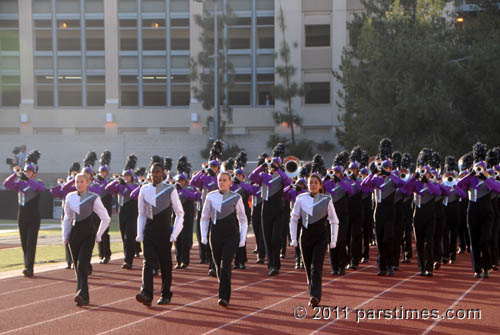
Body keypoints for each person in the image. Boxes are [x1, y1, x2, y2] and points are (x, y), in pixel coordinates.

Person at [135, 161, 184, 306]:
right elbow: (141, 214)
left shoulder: (170, 189)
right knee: (147, 262)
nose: (154, 174)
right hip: (149, 231)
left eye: (157, 171)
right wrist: (140, 232)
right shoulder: (144, 190)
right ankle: (146, 294)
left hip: (164, 231)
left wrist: (174, 233)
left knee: (165, 264)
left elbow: (180, 213)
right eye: (152, 171)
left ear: (163, 173)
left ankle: (166, 294)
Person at [290, 173, 339, 307]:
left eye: (315, 183)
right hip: (305, 237)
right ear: (307, 185)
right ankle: (313, 292)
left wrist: (333, 240)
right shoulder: (300, 198)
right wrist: (293, 238)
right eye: (310, 182)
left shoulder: (326, 199)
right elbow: (294, 219)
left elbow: (334, 220)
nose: (313, 185)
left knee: (316, 266)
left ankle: (315, 296)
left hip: (320, 237)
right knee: (308, 268)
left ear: (320, 185)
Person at [200, 172, 248, 307]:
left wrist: (242, 238)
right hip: (215, 235)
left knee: (225, 264)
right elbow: (204, 217)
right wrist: (204, 236)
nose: (222, 182)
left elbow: (243, 219)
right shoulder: (210, 197)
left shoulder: (236, 197)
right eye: (220, 180)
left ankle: (224, 296)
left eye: (224, 180)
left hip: (231, 236)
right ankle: (224, 289)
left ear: (230, 183)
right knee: (217, 267)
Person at [62, 172, 110, 306]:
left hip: (88, 234)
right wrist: (65, 235)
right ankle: (83, 296)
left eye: (82, 182)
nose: (79, 184)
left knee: (82, 264)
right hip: (74, 234)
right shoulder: (69, 197)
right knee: (77, 268)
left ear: (88, 183)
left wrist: (99, 235)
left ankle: (81, 293)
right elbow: (67, 217)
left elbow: (105, 218)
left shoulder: (93, 197)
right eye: (77, 182)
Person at [249, 143, 290, 276]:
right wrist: (263, 164)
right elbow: (251, 177)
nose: (272, 166)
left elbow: (288, 182)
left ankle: (276, 264)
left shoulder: (280, 176)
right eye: (271, 165)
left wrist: (278, 169)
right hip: (265, 208)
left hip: (278, 208)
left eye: (274, 164)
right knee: (266, 238)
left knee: (275, 238)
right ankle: (271, 264)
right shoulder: (263, 175)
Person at [2, 150, 44, 277]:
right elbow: (6, 184)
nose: (27, 173)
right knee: (24, 242)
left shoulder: (38, 182)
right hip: (22, 215)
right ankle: (27, 264)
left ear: (34, 173)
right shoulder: (19, 184)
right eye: (26, 171)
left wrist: (27, 180)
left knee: (31, 242)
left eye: (30, 171)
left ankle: (29, 267)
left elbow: (39, 189)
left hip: (34, 216)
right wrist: (15, 173)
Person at [106, 154, 139, 269]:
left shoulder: (136, 185)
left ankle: (128, 260)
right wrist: (115, 181)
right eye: (124, 175)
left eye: (128, 175)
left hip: (132, 210)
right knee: (123, 235)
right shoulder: (120, 185)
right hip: (122, 210)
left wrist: (126, 185)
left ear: (132, 176)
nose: (126, 177)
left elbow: (135, 193)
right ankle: (126, 257)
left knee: (129, 236)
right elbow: (107, 189)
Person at [96, 151, 113, 264]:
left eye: (104, 172)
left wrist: (103, 182)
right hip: (96, 209)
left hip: (106, 209)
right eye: (100, 172)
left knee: (105, 232)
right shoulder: (95, 182)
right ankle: (101, 254)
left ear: (107, 173)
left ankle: (107, 254)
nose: (102, 173)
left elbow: (108, 189)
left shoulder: (110, 182)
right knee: (97, 231)